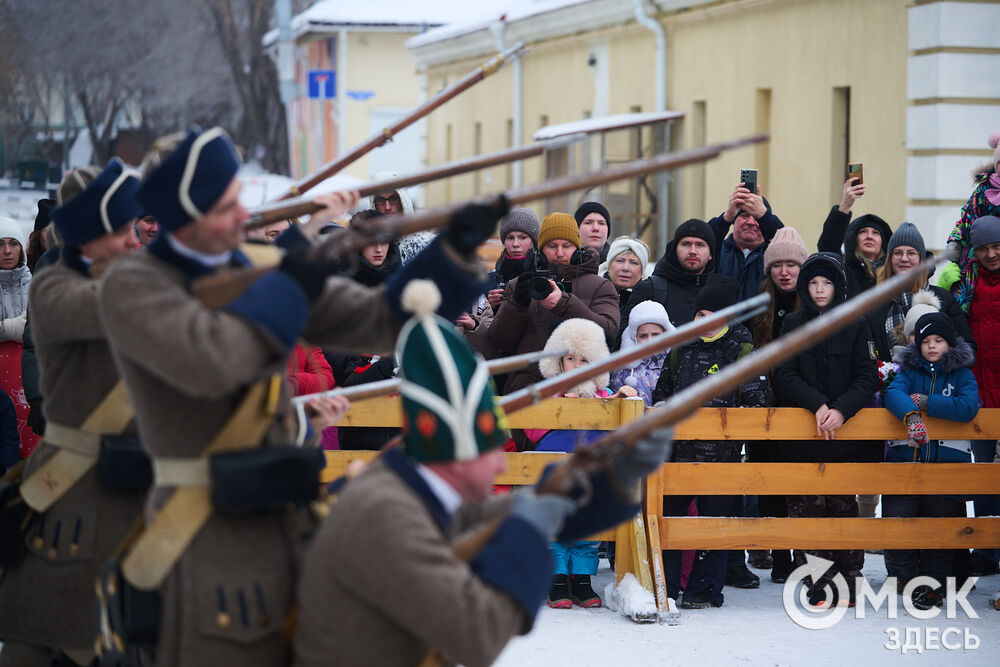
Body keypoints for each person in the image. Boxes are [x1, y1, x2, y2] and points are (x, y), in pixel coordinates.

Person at [97, 126, 503, 666]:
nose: (243, 216)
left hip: (288, 517)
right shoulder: (133, 286)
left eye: (237, 199)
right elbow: (212, 363)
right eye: (224, 208)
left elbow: (380, 319)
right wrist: (297, 275)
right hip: (201, 533)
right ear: (182, 217)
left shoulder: (260, 269)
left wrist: (450, 257)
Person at [292, 286, 670, 666]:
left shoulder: (411, 483)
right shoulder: (393, 515)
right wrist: (530, 544)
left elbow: (493, 513)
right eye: (488, 451)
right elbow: (476, 637)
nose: (500, 464)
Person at [0, 160, 146, 667]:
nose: (134, 239)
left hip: (123, 480)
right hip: (71, 480)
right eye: (123, 227)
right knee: (38, 629)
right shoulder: (57, 283)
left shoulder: (130, 278)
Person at [651, 274, 773, 608]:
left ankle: (705, 589)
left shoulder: (741, 347)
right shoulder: (682, 347)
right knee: (672, 523)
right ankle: (670, 585)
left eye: (715, 316)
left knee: (714, 526)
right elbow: (663, 392)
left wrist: (733, 422)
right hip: (679, 454)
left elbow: (758, 400)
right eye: (701, 315)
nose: (706, 322)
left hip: (722, 457)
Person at [772, 252, 879, 607]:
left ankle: (849, 581)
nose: (820, 290)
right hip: (804, 435)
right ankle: (818, 585)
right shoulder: (792, 324)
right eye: (814, 283)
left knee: (843, 510)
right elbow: (784, 373)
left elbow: (867, 377)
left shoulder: (856, 324)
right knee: (805, 511)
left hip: (845, 437)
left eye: (827, 283)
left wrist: (840, 409)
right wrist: (817, 404)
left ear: (838, 287)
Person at [528, 318, 637, 609]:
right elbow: (531, 429)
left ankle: (582, 579)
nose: (576, 366)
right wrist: (561, 408)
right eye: (570, 358)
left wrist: (618, 399)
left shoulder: (601, 396)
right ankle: (557, 579)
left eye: (585, 359)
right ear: (559, 361)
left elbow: (613, 427)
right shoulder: (547, 393)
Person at [883, 312, 979, 610]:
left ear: (950, 344)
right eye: (926, 341)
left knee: (941, 531)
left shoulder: (963, 374)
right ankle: (910, 582)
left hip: (947, 467)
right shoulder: (909, 371)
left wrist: (925, 402)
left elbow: (967, 407)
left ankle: (934, 588)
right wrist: (911, 416)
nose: (932, 346)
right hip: (907, 464)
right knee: (900, 525)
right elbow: (893, 393)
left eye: (939, 341)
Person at [487, 212, 619, 416]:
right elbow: (498, 341)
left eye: (566, 246)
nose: (559, 253)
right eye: (552, 246)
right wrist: (518, 303)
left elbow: (609, 332)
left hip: (580, 399)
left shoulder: (601, 287)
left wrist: (564, 303)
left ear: (578, 250)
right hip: (526, 396)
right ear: (539, 252)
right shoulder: (518, 285)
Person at [746, 226, 809, 580]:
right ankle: (777, 551)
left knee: (796, 483)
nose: (784, 271)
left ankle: (797, 551)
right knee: (767, 482)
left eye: (792, 264)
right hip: (765, 407)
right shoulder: (759, 304)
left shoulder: (813, 303)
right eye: (778, 265)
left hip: (800, 405)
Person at [944, 214, 1000, 576]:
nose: (992, 254)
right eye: (984, 248)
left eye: (997, 246)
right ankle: (985, 548)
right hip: (978, 392)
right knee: (982, 476)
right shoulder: (966, 284)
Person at [623, 218, 716, 330]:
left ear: (711, 254)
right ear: (675, 249)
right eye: (686, 244)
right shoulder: (650, 289)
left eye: (700, 245)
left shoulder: (719, 292)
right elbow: (626, 336)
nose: (692, 251)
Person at [816, 176, 891, 298]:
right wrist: (844, 206)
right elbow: (827, 246)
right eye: (863, 232)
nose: (869, 236)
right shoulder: (845, 271)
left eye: (875, 233)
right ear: (853, 240)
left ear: (884, 242)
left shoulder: (892, 273)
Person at [0, 216, 37, 461]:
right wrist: (17, 327)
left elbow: (44, 326)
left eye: (13, 243)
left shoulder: (35, 283)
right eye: (0, 244)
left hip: (27, 379)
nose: (7, 251)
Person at [708, 182, 784, 300]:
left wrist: (764, 215)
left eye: (757, 218)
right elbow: (705, 240)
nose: (750, 222)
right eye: (744, 216)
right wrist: (726, 217)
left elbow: (785, 243)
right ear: (734, 220)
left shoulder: (773, 256)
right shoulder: (717, 251)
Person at [610, 300, 674, 406]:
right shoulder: (623, 371)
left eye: (656, 335)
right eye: (643, 336)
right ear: (634, 339)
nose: (650, 340)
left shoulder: (675, 363)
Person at [368, 171, 435, 264]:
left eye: (393, 199)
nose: (387, 207)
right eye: (381, 200)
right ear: (374, 203)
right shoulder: (367, 248)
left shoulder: (427, 244)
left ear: (403, 200)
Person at [600, 236, 650, 339]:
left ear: (642, 270)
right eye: (620, 260)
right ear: (609, 265)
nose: (625, 268)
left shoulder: (650, 299)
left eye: (633, 262)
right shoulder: (591, 290)